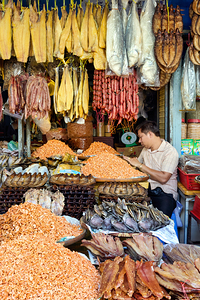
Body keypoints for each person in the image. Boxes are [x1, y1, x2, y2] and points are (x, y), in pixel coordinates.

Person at [123, 121, 179, 217]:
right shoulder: (146, 149)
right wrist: (125, 162)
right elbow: (136, 166)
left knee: (160, 221)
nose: (139, 141)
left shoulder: (170, 152)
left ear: (150, 134)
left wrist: (140, 165)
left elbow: (163, 178)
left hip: (165, 194)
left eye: (141, 137)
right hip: (147, 191)